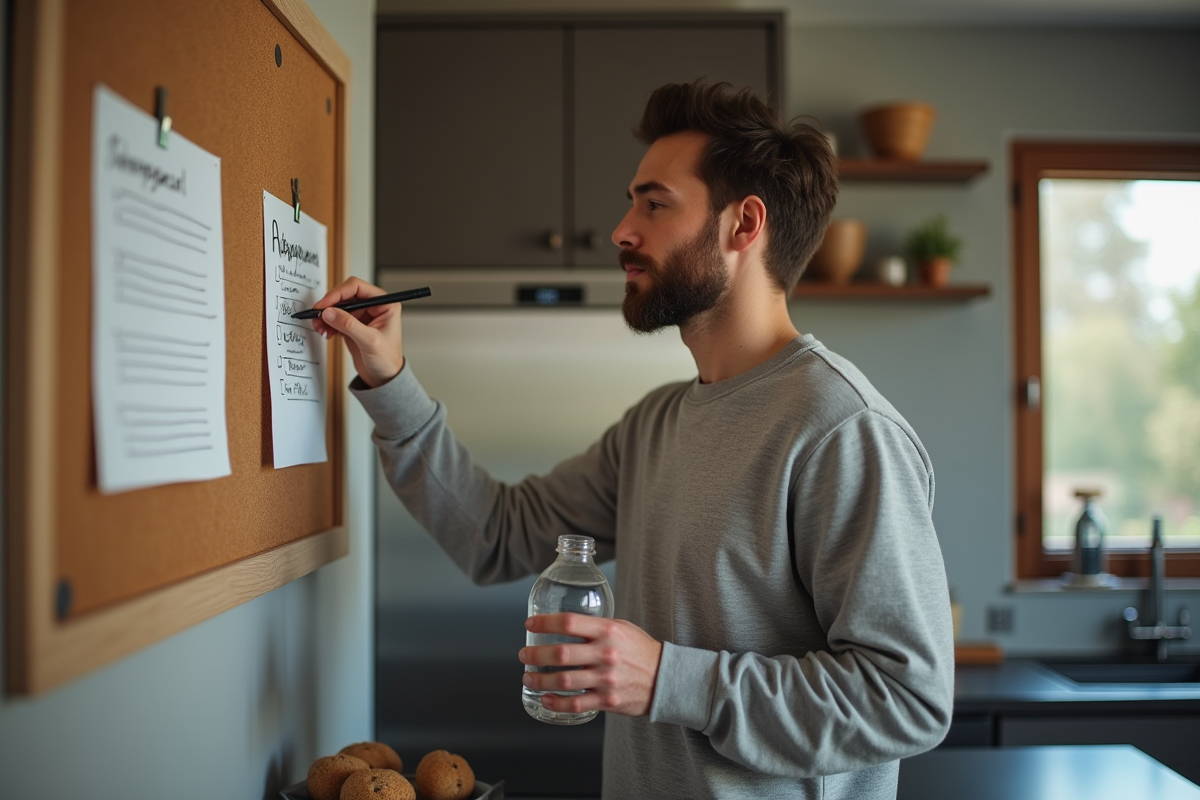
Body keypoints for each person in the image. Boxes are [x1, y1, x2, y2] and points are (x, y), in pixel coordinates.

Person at [314, 80, 954, 799]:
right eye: (632, 203)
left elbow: (908, 699)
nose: (622, 230)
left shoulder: (843, 430)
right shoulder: (656, 424)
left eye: (655, 204)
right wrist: (389, 379)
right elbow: (496, 534)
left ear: (744, 225)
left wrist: (667, 680)